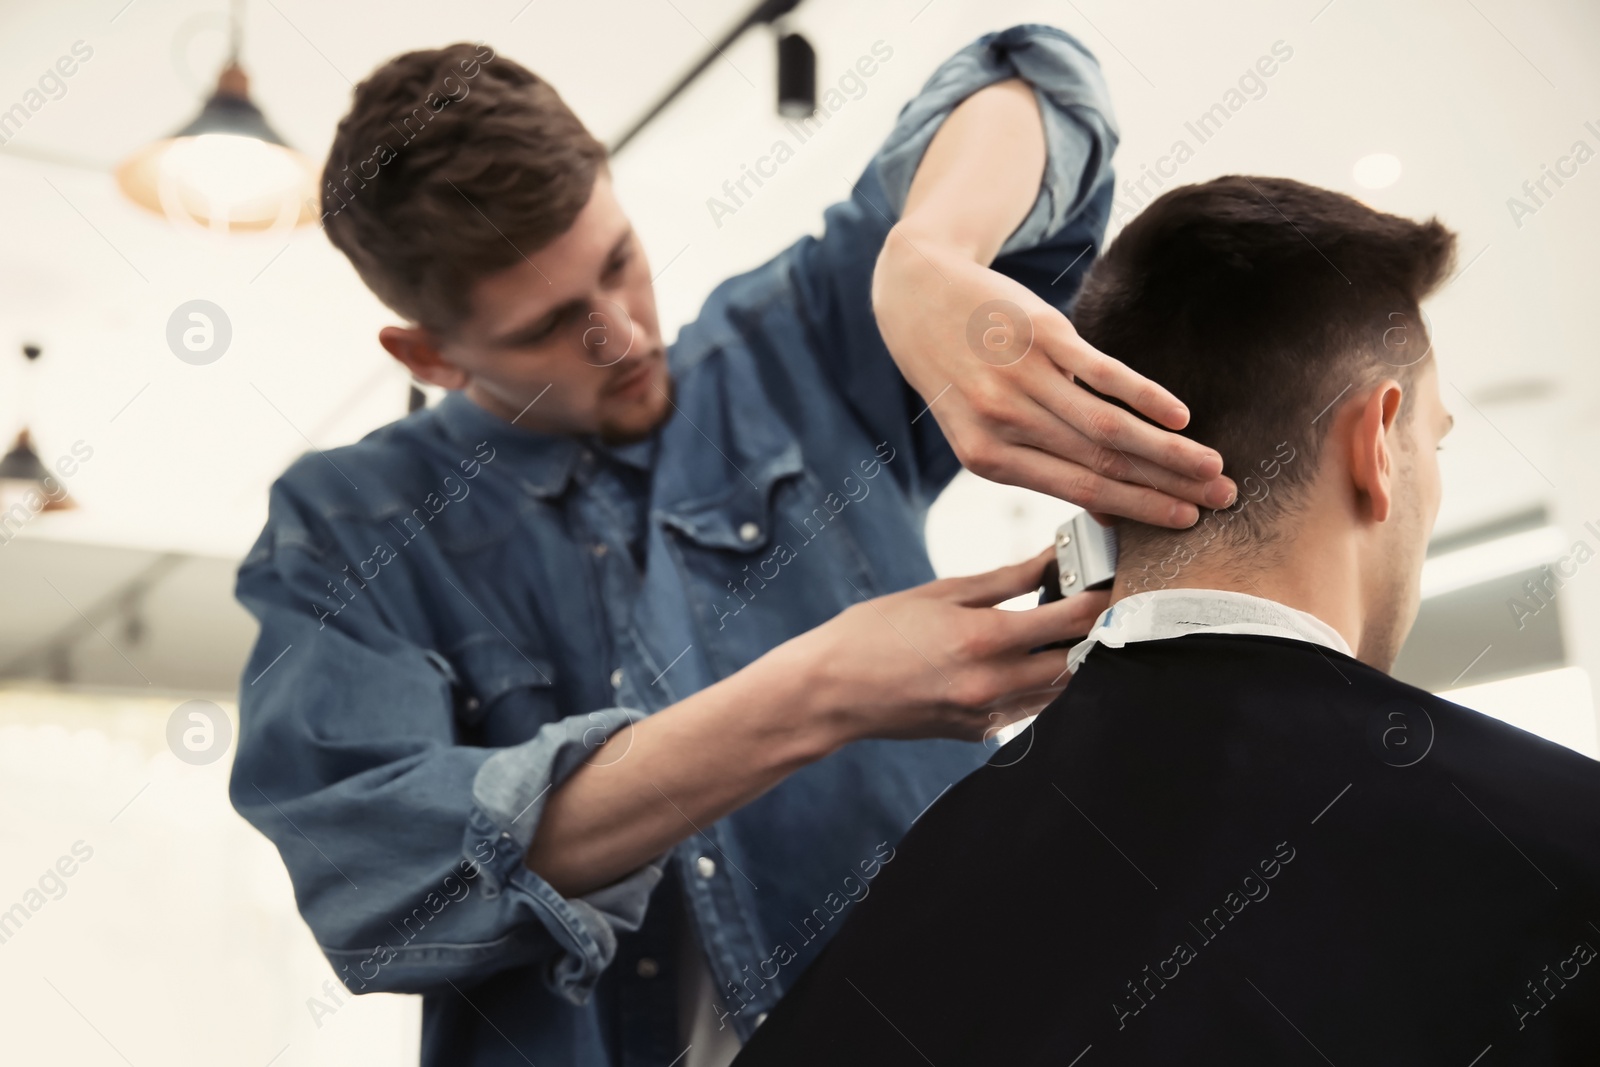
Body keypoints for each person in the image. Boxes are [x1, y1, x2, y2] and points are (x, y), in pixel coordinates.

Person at [227, 27, 1238, 1067]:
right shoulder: (351, 524)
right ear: (428, 355)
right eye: (548, 327)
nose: (622, 335)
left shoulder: (786, 346)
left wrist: (924, 254)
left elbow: (1032, 74)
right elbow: (375, 878)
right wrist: (819, 689)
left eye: (620, 263)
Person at [729, 176, 1600, 1066]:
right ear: (1377, 442)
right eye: (1434, 441)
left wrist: (914, 256)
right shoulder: (1563, 852)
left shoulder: (887, 928)